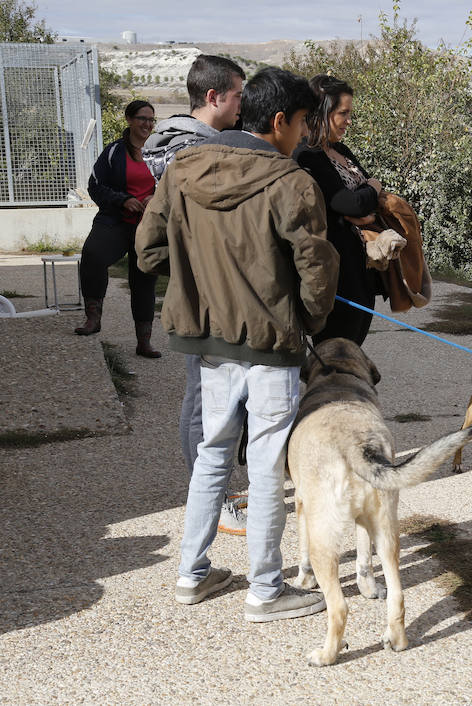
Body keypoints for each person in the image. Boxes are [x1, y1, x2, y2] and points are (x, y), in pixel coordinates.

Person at [136, 67, 339, 617]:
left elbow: (149, 251)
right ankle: (266, 590)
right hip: (271, 344)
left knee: (212, 456)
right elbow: (316, 268)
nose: (303, 133)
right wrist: (313, 321)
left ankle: (190, 575)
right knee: (268, 463)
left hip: (204, 339)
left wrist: (199, 281)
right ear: (278, 120)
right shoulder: (293, 181)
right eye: (301, 122)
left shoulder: (180, 170)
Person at [142, 55, 249, 535]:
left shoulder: (194, 147)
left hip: (214, 292)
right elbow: (157, 240)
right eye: (238, 95)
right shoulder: (190, 153)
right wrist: (194, 271)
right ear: (214, 97)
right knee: (206, 401)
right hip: (203, 297)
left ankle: (217, 489)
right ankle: (212, 498)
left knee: (220, 399)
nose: (243, 105)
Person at [293, 75, 384, 346]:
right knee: (335, 354)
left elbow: (368, 200)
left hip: (362, 270)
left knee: (353, 347)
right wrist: (371, 190)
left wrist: (369, 196)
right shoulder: (306, 155)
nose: (348, 121)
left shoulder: (339, 149)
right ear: (321, 112)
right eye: (343, 113)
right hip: (337, 276)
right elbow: (351, 203)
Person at [75, 100, 160, 358]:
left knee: (144, 279)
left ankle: (143, 342)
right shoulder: (113, 152)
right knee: (92, 255)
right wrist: (122, 199)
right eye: (142, 118)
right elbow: (96, 185)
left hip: (148, 225)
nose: (147, 124)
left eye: (151, 120)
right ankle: (93, 318)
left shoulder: (159, 152)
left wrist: (154, 197)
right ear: (129, 120)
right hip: (114, 221)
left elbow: (172, 184)